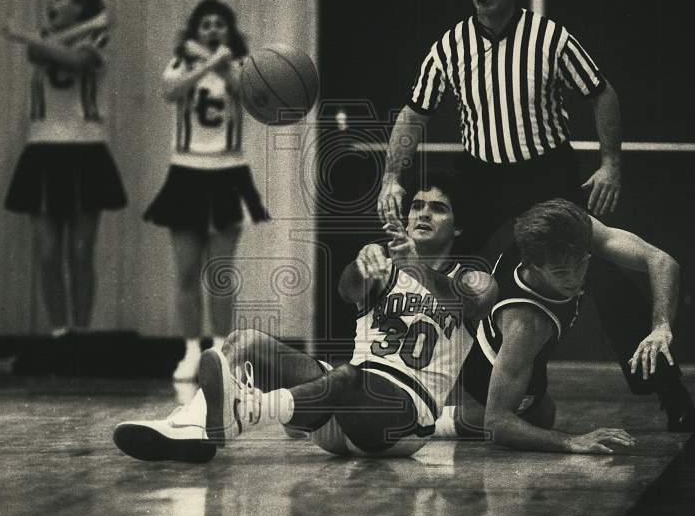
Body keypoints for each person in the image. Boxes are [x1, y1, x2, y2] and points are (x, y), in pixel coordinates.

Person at [377, 0, 695, 430]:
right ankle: (419, 385)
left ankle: (667, 388)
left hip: (545, 172)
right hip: (483, 177)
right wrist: (391, 176)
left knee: (603, 276)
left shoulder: (548, 37)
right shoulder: (450, 46)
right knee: (455, 277)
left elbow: (601, 91)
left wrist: (611, 163)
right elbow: (414, 112)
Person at [113, 175, 497, 461]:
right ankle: (193, 428)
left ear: (458, 226)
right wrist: (361, 263)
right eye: (417, 205)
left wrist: (418, 269)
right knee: (246, 341)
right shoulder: (383, 266)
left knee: (348, 375)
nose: (423, 213)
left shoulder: (472, 278)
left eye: (438, 208)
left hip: (399, 424)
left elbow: (471, 305)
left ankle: (250, 412)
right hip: (337, 410)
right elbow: (348, 289)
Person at [439, 198, 686, 452]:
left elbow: (662, 261)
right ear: (533, 266)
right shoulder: (527, 323)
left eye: (580, 265)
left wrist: (661, 326)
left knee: (544, 414)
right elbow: (497, 423)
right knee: (536, 418)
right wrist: (571, 441)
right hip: (482, 365)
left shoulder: (565, 233)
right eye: (560, 272)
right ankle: (439, 422)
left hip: (486, 331)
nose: (574, 278)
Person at [143, 0, 269, 381]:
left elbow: (246, 94)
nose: (213, 30)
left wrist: (219, 62)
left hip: (228, 173)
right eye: (205, 25)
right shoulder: (181, 64)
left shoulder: (242, 67)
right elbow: (170, 91)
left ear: (229, 31)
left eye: (219, 24)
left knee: (219, 271)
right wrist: (206, 63)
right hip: (186, 172)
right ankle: (190, 350)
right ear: (194, 31)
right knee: (185, 271)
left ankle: (221, 350)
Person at [3, 0, 127, 335]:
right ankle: (59, 333)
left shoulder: (99, 39)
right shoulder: (40, 41)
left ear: (81, 4)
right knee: (47, 252)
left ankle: (82, 337)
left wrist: (23, 33)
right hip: (42, 151)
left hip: (86, 151)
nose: (51, 4)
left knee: (81, 251)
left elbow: (77, 61)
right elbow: (38, 51)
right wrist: (89, 22)